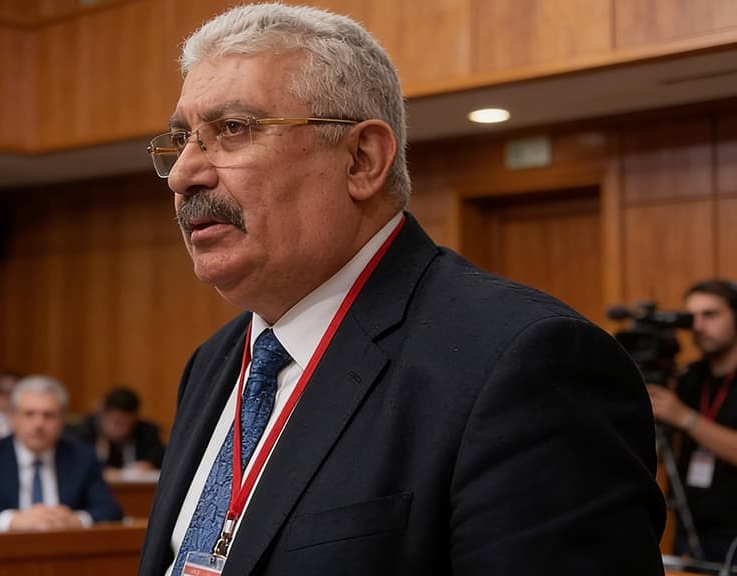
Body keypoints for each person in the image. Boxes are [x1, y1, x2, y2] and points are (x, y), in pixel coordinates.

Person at [137, 5, 665, 576]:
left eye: (233, 129)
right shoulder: (214, 362)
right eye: (181, 140)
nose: (182, 173)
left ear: (362, 160)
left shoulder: (526, 364)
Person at [0, 375, 121, 531]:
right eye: (29, 414)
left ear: (63, 420)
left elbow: (110, 510)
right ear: (13, 418)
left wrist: (77, 520)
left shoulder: (82, 457)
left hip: (66, 547)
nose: (39, 424)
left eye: (49, 415)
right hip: (4, 549)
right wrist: (13, 520)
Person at [648, 279, 737, 561]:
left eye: (710, 315)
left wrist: (684, 417)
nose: (698, 327)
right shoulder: (690, 377)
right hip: (691, 529)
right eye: (692, 317)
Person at [72, 386, 165, 472]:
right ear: (102, 414)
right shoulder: (84, 432)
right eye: (116, 423)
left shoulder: (147, 432)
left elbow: (158, 456)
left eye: (127, 424)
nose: (121, 430)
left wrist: (149, 464)